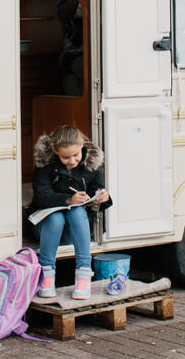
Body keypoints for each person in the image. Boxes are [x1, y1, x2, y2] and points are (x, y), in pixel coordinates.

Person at [31, 125, 112, 299]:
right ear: (55, 151)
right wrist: (67, 200)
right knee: (55, 217)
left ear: (82, 144)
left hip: (75, 227)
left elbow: (96, 190)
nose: (73, 161)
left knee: (76, 213)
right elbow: (41, 196)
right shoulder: (45, 164)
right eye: (65, 157)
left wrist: (101, 197)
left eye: (76, 155)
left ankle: (83, 273)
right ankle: (47, 275)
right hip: (46, 228)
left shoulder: (92, 164)